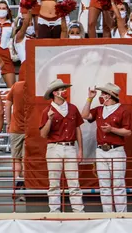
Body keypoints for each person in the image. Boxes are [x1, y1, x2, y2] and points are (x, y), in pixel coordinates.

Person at [82, 83, 132, 213]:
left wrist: (112, 130)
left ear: (109, 95)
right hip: (101, 151)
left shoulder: (123, 110)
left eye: (103, 93)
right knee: (104, 185)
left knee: (118, 184)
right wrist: (89, 98)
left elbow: (128, 132)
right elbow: (85, 115)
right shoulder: (99, 109)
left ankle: (121, 215)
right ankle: (108, 215)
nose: (101, 95)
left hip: (116, 150)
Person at [39, 78, 85, 214]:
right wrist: (50, 120)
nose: (64, 91)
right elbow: (43, 134)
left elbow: (77, 129)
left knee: (74, 182)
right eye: (61, 89)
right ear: (55, 93)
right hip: (54, 147)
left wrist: (80, 150)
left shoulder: (72, 108)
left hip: (70, 147)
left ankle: (78, 211)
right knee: (54, 182)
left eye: (64, 89)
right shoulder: (47, 111)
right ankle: (54, 211)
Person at [4, 74, 28, 187]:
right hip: (30, 129)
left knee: (16, 159)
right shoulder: (35, 87)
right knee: (25, 159)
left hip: (15, 128)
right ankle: (24, 183)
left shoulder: (16, 86)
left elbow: (7, 105)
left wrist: (8, 123)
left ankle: (16, 180)